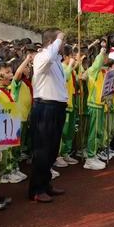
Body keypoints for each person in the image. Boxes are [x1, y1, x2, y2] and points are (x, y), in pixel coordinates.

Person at [29, 29, 68, 203]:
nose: (64, 44)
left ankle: (46, 184)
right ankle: (37, 189)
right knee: (42, 150)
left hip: (56, 107)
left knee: (52, 150)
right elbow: (47, 58)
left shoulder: (56, 60)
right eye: (61, 41)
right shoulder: (42, 57)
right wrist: (58, 40)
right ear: (52, 42)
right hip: (45, 107)